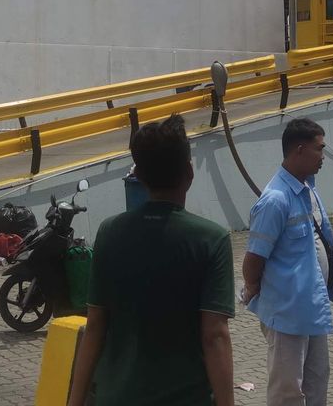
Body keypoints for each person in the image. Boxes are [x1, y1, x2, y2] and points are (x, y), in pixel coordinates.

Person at [66, 114, 235, 406]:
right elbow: (215, 336)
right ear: (189, 173)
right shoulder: (212, 240)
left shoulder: (110, 233)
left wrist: (74, 402)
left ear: (139, 177)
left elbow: (95, 326)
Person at [241, 118, 333, 406]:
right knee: (287, 391)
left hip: (312, 307)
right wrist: (254, 289)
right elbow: (252, 261)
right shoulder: (275, 200)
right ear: (299, 149)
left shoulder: (308, 189)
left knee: (317, 380)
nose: (323, 156)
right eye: (319, 149)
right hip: (286, 311)